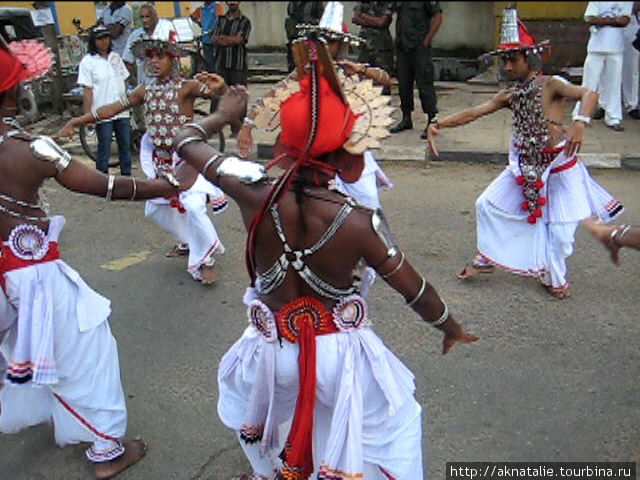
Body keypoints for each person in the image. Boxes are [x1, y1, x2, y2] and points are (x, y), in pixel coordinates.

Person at [174, 34, 478, 480]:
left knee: (274, 423)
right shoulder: (358, 221)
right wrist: (450, 328)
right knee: (392, 426)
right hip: (337, 355)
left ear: (284, 144)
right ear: (346, 151)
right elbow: (416, 292)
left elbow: (185, 140)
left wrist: (224, 114)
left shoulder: (249, 190)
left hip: (271, 350)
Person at [0, 38, 188, 479]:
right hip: (32, 276)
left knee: (20, 347)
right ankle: (107, 450)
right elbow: (108, 186)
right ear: (13, 92)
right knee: (89, 348)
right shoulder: (31, 150)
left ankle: (39, 408)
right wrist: (170, 184)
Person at [428, 6, 625, 299]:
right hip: (523, 167)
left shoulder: (551, 85)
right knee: (486, 205)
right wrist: (438, 124)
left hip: (560, 169)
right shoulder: (509, 94)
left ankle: (553, 275)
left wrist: (580, 123)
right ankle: (489, 257)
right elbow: (474, 112)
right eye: (504, 60)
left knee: (560, 237)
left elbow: (589, 94)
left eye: (513, 60)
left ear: (530, 58)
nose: (507, 67)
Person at [56, 26, 229, 285]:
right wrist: (77, 121)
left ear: (173, 59)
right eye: (150, 56)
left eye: (160, 56)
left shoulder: (187, 87)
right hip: (160, 163)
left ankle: (204, 260)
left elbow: (220, 95)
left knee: (193, 207)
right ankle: (189, 241)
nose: (154, 61)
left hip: (186, 159)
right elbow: (110, 109)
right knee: (155, 210)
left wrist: (222, 87)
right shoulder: (144, 91)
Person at [237, 1, 392, 160]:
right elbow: (272, 95)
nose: (324, 45)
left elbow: (386, 80)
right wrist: (247, 126)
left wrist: (362, 70)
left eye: (330, 41)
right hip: (311, 148)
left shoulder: (349, 71)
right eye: (321, 39)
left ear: (340, 44)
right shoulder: (306, 71)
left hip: (346, 148)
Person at [78, 25, 132, 176]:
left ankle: (126, 176)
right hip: (102, 111)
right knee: (104, 146)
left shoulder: (115, 57)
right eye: (100, 39)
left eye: (106, 38)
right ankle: (101, 178)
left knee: (125, 145)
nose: (104, 42)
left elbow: (125, 80)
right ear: (93, 41)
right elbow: (87, 91)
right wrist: (87, 115)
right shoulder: (88, 62)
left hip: (121, 109)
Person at [573, 1, 632, 131]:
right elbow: (589, 18)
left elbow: (625, 21)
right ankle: (580, 115)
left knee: (614, 84)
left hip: (616, 46)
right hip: (596, 46)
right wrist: (614, 21)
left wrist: (603, 20)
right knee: (589, 83)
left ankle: (613, 118)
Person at [390, 1, 443, 139]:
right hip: (403, 47)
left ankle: (431, 120)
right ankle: (406, 118)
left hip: (419, 47)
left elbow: (438, 17)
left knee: (424, 84)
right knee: (403, 84)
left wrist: (426, 41)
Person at [210, 1, 252, 134]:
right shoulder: (220, 20)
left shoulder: (245, 21)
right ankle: (214, 128)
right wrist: (231, 40)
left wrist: (225, 39)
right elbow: (214, 38)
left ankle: (238, 130)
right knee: (217, 95)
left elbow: (240, 40)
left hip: (238, 65)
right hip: (221, 64)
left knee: (239, 97)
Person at [352, 1, 395, 95]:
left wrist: (363, 16)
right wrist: (373, 20)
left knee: (382, 83)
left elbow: (382, 22)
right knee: (362, 81)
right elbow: (355, 19)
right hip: (365, 46)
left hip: (381, 47)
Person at [122, 2, 165, 86]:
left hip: (164, 84)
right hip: (144, 85)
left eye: (147, 16)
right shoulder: (135, 36)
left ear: (155, 17)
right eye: (142, 17)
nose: (144, 20)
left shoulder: (164, 32)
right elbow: (127, 61)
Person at [285, 1, 324, 72]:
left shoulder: (316, 3)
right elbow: (290, 14)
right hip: (294, 39)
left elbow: (321, 20)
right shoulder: (293, 3)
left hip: (310, 40)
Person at [190, 1, 220, 74]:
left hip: (216, 39)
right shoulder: (201, 8)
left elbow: (220, 19)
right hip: (206, 38)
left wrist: (215, 29)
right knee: (209, 62)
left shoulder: (217, 6)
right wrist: (199, 22)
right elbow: (192, 16)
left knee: (218, 61)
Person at [622, 1, 640, 119]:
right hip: (610, 24)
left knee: (632, 67)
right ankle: (604, 105)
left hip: (632, 23)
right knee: (606, 69)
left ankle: (632, 104)